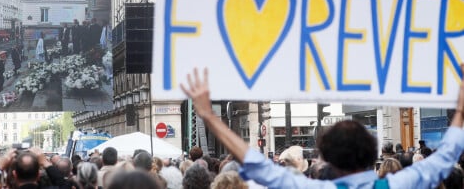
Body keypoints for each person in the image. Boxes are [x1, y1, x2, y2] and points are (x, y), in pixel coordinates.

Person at [181, 67, 464, 188]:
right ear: (371, 154)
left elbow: (257, 164)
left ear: (326, 158)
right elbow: (444, 158)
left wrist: (209, 116)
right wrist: (460, 109)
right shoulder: (399, 184)